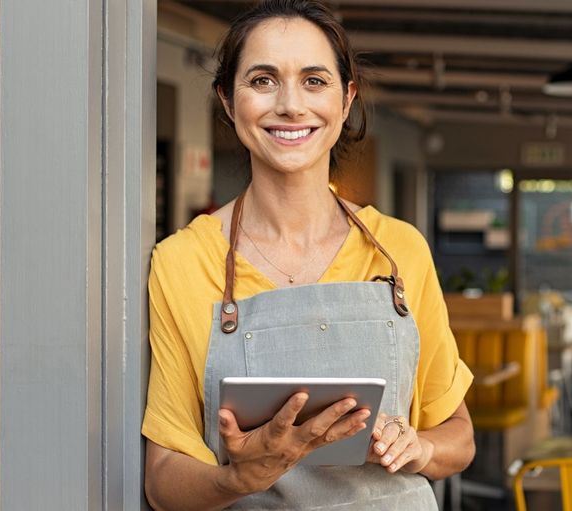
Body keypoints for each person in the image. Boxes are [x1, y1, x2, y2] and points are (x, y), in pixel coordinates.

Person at [142, 2, 474, 509]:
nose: (291, 105)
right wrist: (238, 478)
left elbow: (459, 437)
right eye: (263, 80)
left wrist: (420, 446)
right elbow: (163, 479)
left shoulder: (399, 250)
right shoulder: (184, 261)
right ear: (228, 102)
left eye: (315, 80)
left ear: (346, 100)